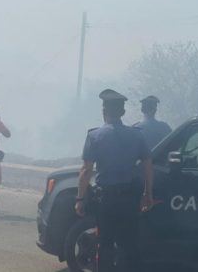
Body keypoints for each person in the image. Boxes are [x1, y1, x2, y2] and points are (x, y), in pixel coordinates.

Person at [75, 89, 155, 272]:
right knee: (129, 245)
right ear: (123, 112)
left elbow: (86, 170)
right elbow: (148, 167)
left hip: (106, 201)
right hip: (130, 199)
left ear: (104, 111)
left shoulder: (94, 136)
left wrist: (79, 199)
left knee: (105, 245)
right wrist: (147, 194)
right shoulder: (137, 135)